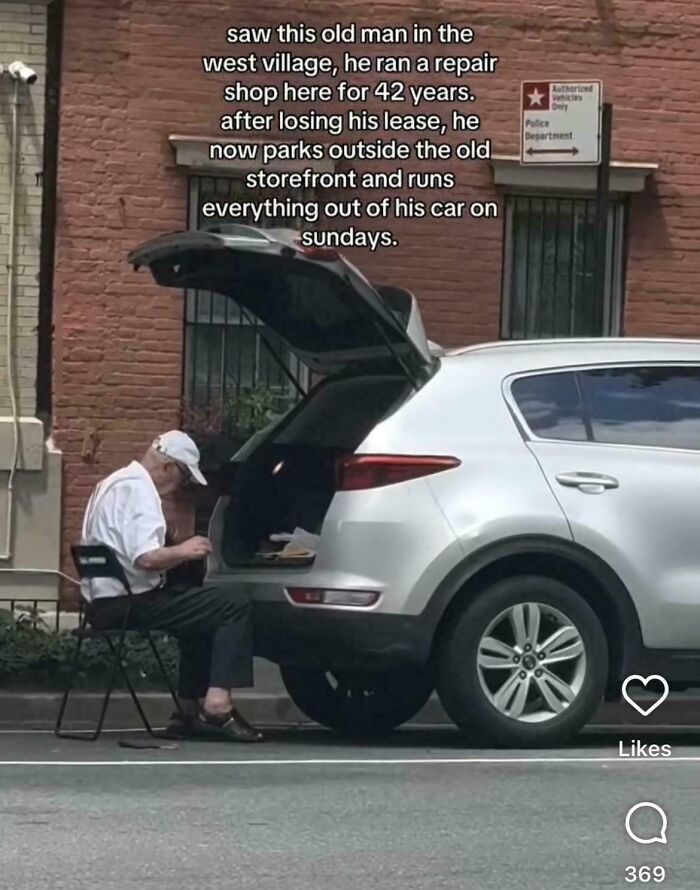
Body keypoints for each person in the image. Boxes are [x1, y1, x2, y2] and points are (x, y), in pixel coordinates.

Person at [80, 430, 264, 742]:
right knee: (233, 602)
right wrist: (185, 550)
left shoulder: (110, 483)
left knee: (200, 607)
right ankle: (217, 704)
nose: (180, 487)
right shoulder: (141, 491)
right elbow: (146, 559)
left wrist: (171, 550)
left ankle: (188, 709)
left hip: (101, 603)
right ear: (169, 468)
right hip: (131, 603)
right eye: (183, 479)